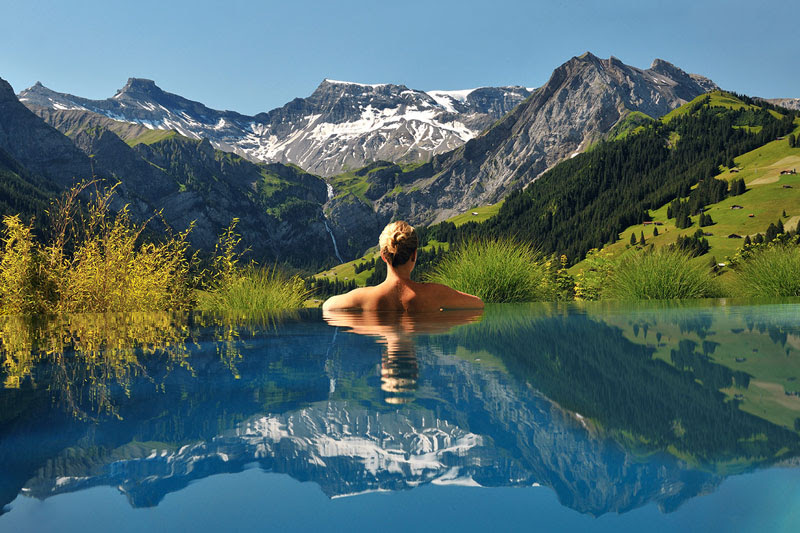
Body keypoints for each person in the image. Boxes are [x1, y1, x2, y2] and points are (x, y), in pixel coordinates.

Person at [322, 221, 484, 312]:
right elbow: (478, 305)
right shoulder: (435, 293)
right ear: (414, 255)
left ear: (383, 256)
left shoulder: (363, 298)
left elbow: (327, 306)